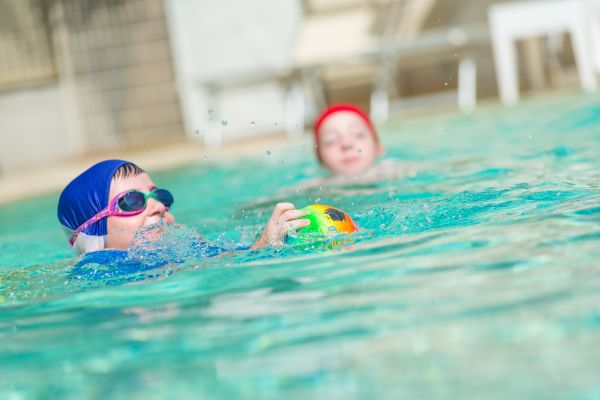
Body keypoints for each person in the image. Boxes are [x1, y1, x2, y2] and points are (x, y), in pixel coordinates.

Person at [58, 159, 309, 279]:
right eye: (132, 201)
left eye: (160, 196)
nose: (157, 206)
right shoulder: (98, 270)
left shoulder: (187, 249)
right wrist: (261, 248)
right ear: (93, 233)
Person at [301, 103, 415, 188]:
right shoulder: (313, 188)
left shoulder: (400, 171)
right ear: (320, 158)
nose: (346, 144)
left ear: (378, 147)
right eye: (330, 140)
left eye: (358, 134)